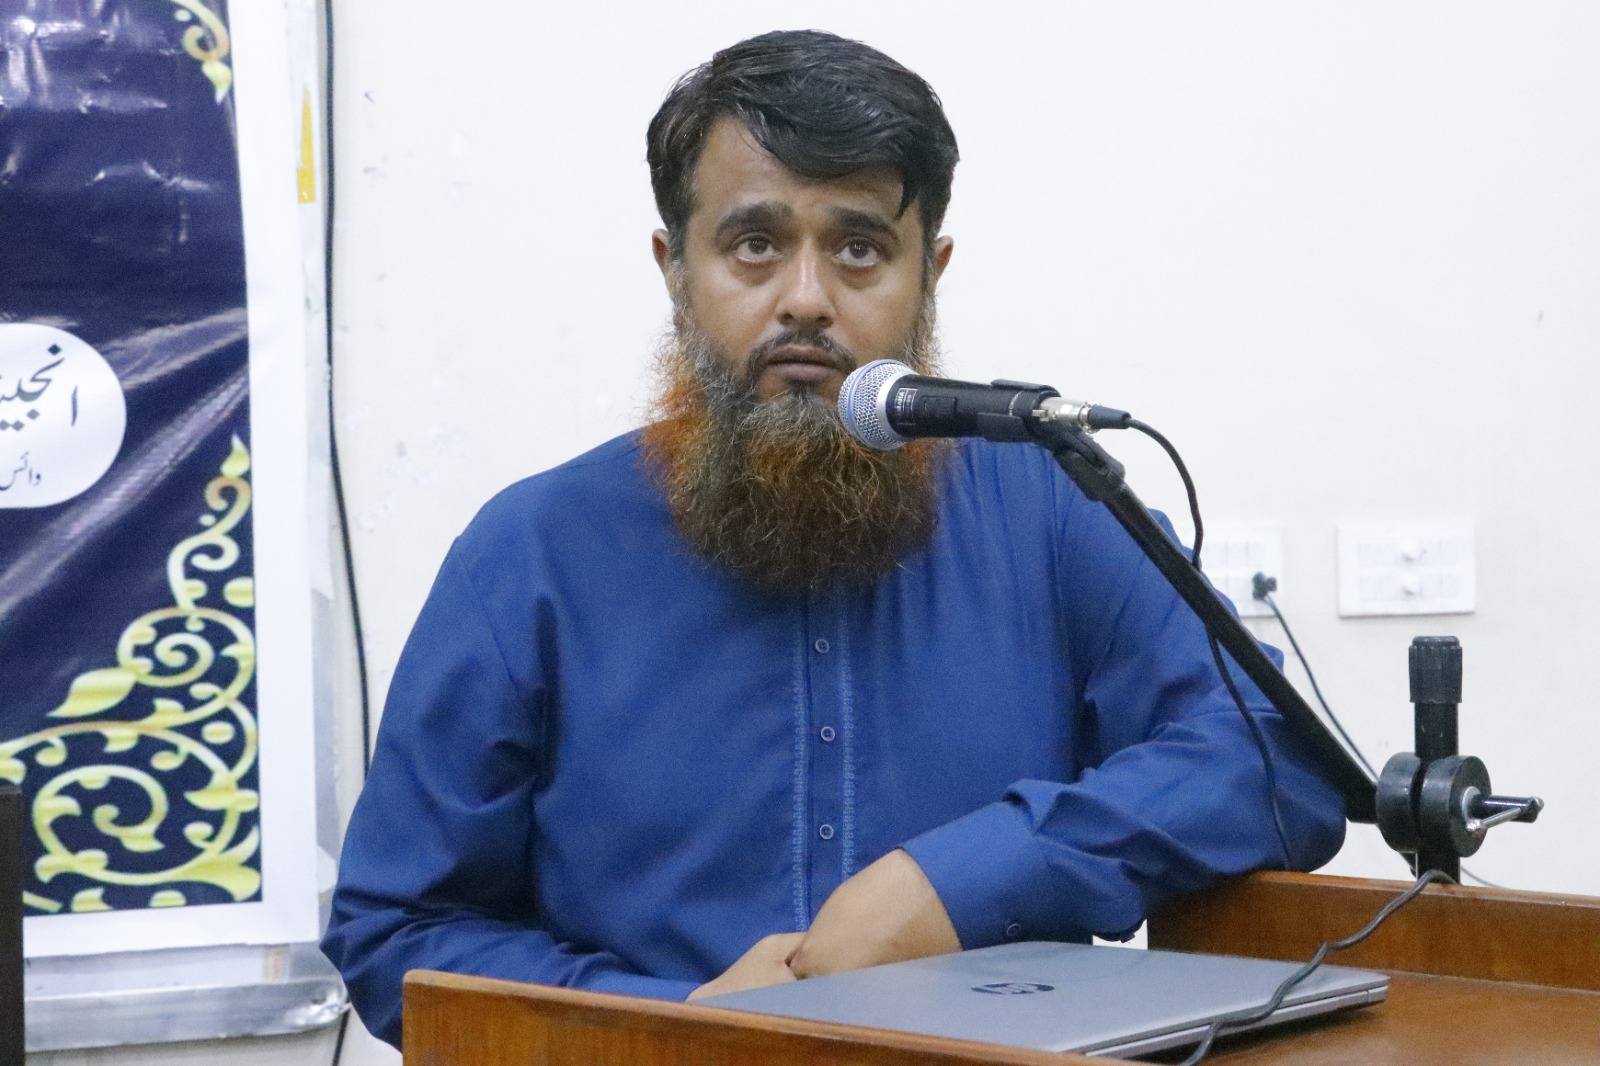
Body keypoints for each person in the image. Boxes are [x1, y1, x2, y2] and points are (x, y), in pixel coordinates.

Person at [321, 29, 1345, 1049]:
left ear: (929, 273)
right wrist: (672, 1022)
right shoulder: (530, 555)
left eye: (859, 248)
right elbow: (397, 931)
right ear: (675, 270)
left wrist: (959, 882)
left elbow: (1278, 759)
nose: (806, 300)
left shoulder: (1050, 511)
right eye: (753, 245)